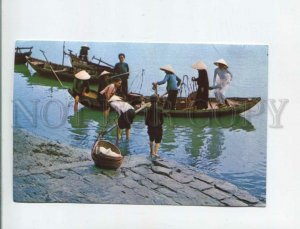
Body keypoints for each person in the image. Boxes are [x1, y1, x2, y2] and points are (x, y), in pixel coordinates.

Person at [145, 94, 164, 159]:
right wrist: (160, 124)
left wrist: (148, 124)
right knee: (158, 141)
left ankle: (151, 152)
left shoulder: (149, 109)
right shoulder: (160, 109)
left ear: (150, 100)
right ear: (157, 100)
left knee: (151, 139)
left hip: (151, 126)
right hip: (158, 126)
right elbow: (162, 120)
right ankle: (155, 153)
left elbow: (147, 119)